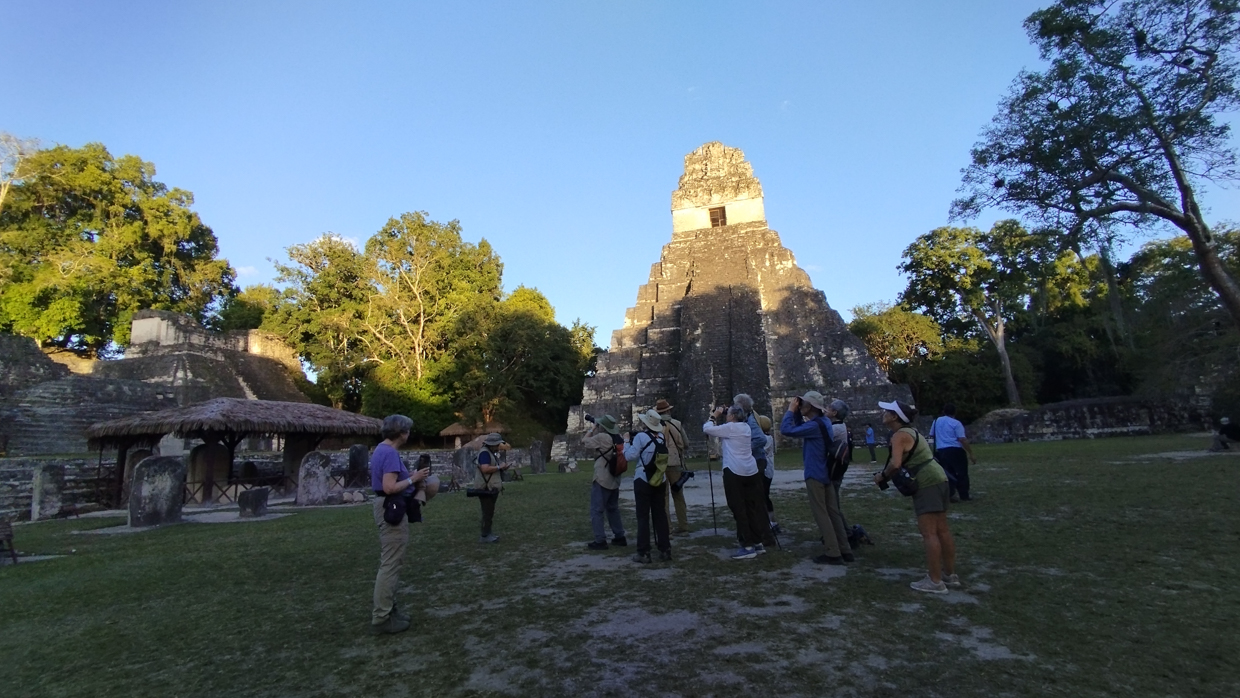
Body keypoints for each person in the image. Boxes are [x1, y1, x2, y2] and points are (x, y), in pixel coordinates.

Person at [873, 399, 959, 594]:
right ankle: (949, 574)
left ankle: (935, 581)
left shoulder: (899, 436)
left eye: (887, 412)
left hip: (926, 483)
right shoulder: (913, 432)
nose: (883, 414)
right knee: (942, 530)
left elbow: (895, 464)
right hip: (939, 478)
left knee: (929, 532)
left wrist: (882, 477)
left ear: (894, 417)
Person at [369, 414, 430, 635]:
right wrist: (414, 479)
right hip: (391, 507)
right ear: (401, 433)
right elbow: (389, 487)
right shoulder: (390, 453)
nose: (409, 434)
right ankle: (382, 617)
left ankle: (389, 610)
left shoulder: (381, 450)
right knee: (391, 564)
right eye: (407, 430)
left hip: (387, 506)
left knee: (392, 561)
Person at [780, 391, 852, 565]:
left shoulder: (814, 426)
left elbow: (786, 430)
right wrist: (798, 414)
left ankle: (833, 552)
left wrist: (790, 411)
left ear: (811, 406)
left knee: (821, 514)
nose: (800, 405)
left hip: (815, 473)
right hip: (825, 472)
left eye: (803, 403)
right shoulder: (823, 422)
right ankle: (845, 549)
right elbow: (800, 429)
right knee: (833, 512)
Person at [704, 404, 774, 559]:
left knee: (738, 507)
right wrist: (729, 412)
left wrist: (714, 415)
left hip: (734, 470)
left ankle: (747, 545)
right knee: (751, 507)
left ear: (732, 416)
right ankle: (757, 542)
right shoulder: (746, 427)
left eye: (728, 414)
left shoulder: (730, 428)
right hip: (750, 470)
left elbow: (707, 429)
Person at [625, 409, 671, 563]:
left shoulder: (641, 437)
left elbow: (630, 456)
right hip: (659, 478)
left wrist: (626, 442)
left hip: (643, 478)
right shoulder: (661, 437)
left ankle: (644, 551)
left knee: (643, 516)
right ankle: (665, 549)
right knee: (660, 515)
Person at [584, 414, 627, 550]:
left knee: (596, 510)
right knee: (613, 509)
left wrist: (592, 428)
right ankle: (619, 535)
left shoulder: (602, 437)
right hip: (615, 477)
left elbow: (585, 441)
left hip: (602, 477)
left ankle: (600, 540)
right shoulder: (618, 437)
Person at [656, 399, 690, 535]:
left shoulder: (655, 426)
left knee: (663, 498)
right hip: (675, 462)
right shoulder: (677, 424)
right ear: (668, 411)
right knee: (678, 496)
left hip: (661, 464)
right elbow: (686, 443)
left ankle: (667, 529)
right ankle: (684, 526)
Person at [930, 403, 977, 502]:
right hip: (955, 450)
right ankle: (964, 494)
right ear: (955, 412)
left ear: (943, 411)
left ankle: (950, 494)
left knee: (948, 473)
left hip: (941, 450)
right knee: (961, 472)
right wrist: (970, 453)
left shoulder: (936, 421)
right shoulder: (956, 423)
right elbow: (962, 439)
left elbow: (932, 435)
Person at [472, 432, 510, 543]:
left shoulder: (488, 453)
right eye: (497, 444)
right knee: (487, 513)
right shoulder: (485, 453)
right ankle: (485, 535)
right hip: (486, 488)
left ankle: (487, 533)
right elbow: (485, 469)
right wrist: (499, 467)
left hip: (489, 488)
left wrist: (501, 468)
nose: (498, 447)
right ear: (492, 444)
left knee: (489, 512)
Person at [826, 399, 852, 535]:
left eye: (829, 408)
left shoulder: (835, 428)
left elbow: (822, 436)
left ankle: (844, 531)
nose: (826, 409)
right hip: (837, 467)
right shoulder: (840, 426)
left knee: (833, 503)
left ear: (834, 412)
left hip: (834, 468)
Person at [757, 415, 778, 534]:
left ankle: (770, 521)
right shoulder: (767, 437)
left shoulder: (765, 439)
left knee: (764, 496)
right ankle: (768, 520)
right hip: (767, 470)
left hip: (765, 470)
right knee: (764, 495)